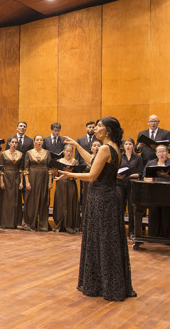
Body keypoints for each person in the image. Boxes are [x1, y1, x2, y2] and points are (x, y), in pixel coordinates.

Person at [59, 116, 136, 301]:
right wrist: (77, 147)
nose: (95, 129)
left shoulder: (104, 148)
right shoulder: (113, 148)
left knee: (100, 241)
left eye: (99, 126)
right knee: (108, 242)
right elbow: (94, 161)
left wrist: (70, 174)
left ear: (107, 130)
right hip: (109, 197)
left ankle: (101, 284)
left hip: (100, 199)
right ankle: (109, 283)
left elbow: (92, 175)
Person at [23, 135, 53, 231]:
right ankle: (31, 222)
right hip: (32, 178)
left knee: (43, 199)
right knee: (32, 200)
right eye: (37, 140)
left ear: (43, 142)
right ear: (34, 141)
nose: (39, 141)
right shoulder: (29, 153)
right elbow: (26, 169)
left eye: (41, 140)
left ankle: (42, 224)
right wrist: (27, 182)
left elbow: (50, 169)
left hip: (44, 179)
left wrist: (50, 182)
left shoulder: (47, 153)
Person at [116, 138, 143, 235]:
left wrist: (132, 175)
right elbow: (115, 170)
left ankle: (132, 231)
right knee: (120, 207)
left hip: (132, 184)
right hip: (120, 184)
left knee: (132, 208)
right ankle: (120, 230)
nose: (128, 146)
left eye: (130, 144)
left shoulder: (138, 158)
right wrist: (117, 175)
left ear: (133, 146)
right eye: (126, 144)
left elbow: (140, 173)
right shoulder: (119, 157)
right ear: (123, 146)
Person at [0, 137, 23, 230]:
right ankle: (4, 222)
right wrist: (1, 181)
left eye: (16, 142)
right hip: (6, 177)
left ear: (17, 144)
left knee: (16, 200)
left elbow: (21, 169)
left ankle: (16, 223)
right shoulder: (3, 154)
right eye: (12, 142)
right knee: (6, 200)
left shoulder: (20, 154)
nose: (14, 144)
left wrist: (21, 182)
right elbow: (1, 169)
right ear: (9, 143)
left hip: (16, 178)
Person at [144, 144, 170, 238]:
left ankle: (166, 236)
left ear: (167, 152)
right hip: (154, 193)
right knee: (154, 213)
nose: (161, 154)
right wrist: (151, 179)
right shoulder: (151, 163)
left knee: (166, 214)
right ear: (156, 153)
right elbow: (144, 177)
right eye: (159, 151)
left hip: (167, 193)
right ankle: (153, 236)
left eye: (164, 151)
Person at [52, 144, 80, 233]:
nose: (69, 153)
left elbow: (76, 176)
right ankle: (60, 224)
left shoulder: (75, 162)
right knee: (60, 203)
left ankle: (70, 225)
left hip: (71, 184)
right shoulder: (59, 161)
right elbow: (55, 174)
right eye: (67, 151)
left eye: (71, 151)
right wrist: (54, 170)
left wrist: (70, 173)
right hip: (60, 185)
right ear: (63, 151)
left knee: (70, 203)